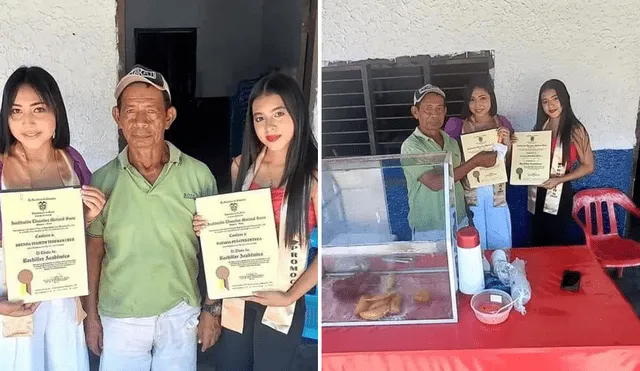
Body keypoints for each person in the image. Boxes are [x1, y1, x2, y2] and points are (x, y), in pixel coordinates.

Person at [84, 65, 219, 371]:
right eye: (130, 110)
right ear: (117, 118)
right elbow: (94, 252)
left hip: (180, 313)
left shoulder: (198, 176)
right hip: (120, 317)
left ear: (168, 117)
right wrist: (91, 316)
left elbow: (216, 248)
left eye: (151, 111)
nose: (141, 121)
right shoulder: (102, 180)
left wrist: (212, 309)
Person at [193, 72, 318, 371]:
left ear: (297, 114)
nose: (269, 126)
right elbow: (226, 241)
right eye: (259, 118)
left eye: (278, 114)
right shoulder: (242, 167)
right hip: (237, 295)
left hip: (283, 296)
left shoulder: (313, 175)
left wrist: (289, 295)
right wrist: (210, 229)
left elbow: (331, 248)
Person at [0, 66, 106, 371]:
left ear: (56, 112)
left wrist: (88, 216)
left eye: (38, 109)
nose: (27, 122)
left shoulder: (72, 161)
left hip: (64, 296)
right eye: (16, 111)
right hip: (14, 298)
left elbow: (80, 238)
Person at [400, 84, 497, 241]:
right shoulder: (411, 146)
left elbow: (460, 178)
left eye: (439, 109)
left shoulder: (451, 142)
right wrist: (476, 161)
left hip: (460, 222)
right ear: (415, 112)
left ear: (445, 112)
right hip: (430, 228)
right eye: (428, 109)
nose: (434, 114)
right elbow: (436, 183)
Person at [444, 76, 514, 249]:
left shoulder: (502, 123)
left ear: (492, 98)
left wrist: (509, 145)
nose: (478, 104)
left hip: (497, 193)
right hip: (469, 194)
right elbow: (450, 160)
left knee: (501, 242)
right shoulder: (456, 126)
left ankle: (500, 273)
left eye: (483, 98)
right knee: (474, 242)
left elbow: (510, 164)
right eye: (472, 100)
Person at [528, 79, 594, 246]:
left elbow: (588, 166)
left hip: (560, 193)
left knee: (557, 242)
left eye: (555, 98)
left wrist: (559, 179)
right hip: (538, 191)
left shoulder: (575, 129)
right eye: (545, 101)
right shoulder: (540, 128)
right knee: (538, 239)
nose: (550, 105)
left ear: (564, 99)